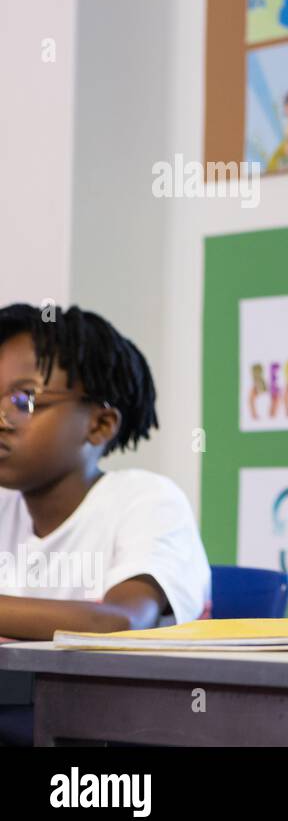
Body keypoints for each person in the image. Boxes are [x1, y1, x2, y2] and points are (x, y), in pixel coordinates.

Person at [0, 304, 211, 745]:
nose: (2, 418)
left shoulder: (147, 501)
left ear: (99, 424)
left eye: (23, 400)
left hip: (123, 734)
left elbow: (120, 623)